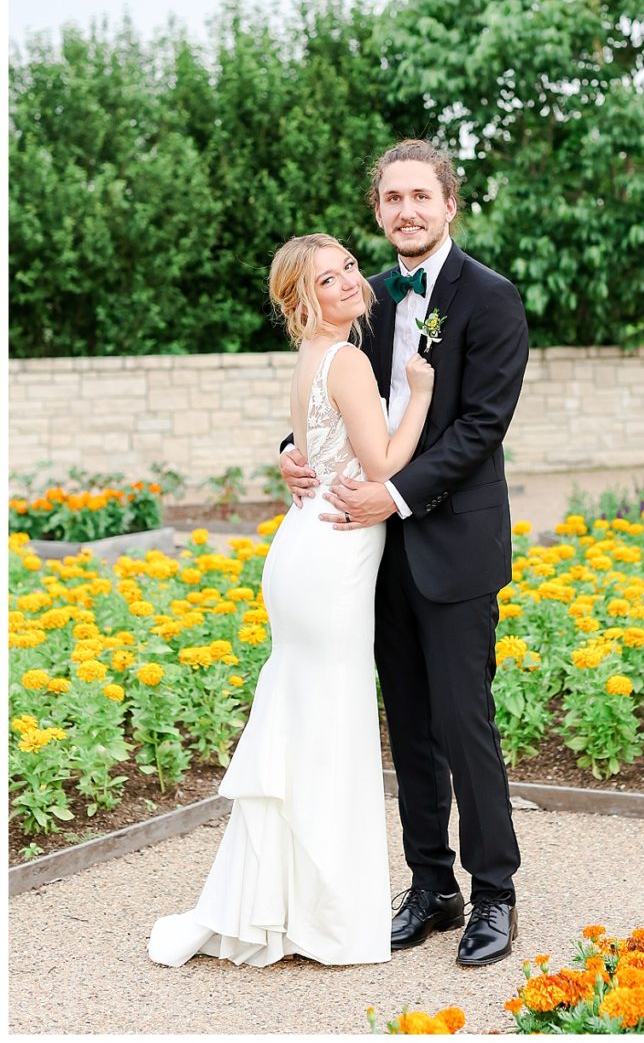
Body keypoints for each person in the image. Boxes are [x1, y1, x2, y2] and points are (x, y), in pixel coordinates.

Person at [276, 140, 530, 964]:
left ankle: (495, 890)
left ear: (450, 203)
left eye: (422, 195)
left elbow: (480, 428)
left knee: (465, 724)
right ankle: (432, 886)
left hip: (450, 544)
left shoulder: (491, 299)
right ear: (379, 211)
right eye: (392, 198)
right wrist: (291, 445)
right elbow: (336, 395)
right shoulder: (367, 296)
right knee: (408, 727)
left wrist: (392, 492)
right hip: (370, 555)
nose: (407, 210)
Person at [150, 234, 432, 966]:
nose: (345, 281)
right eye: (325, 278)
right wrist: (423, 397)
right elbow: (381, 464)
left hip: (304, 545)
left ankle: (282, 901)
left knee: (303, 719)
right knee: (329, 724)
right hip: (333, 553)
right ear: (299, 299)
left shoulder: (313, 357)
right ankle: (324, 916)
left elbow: (314, 443)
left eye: (346, 267)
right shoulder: (346, 359)